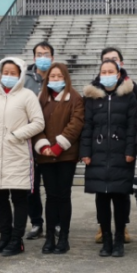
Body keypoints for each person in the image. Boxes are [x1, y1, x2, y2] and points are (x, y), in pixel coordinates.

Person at [0, 56, 46, 257]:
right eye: (5, 73)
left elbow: (38, 123)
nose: (8, 76)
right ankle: (5, 237)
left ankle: (17, 240)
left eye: (13, 73)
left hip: (17, 153)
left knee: (19, 198)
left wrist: (16, 135)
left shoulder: (27, 95)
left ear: (20, 75)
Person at [81, 59, 137, 258]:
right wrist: (85, 152)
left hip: (121, 155)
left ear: (118, 73)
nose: (106, 74)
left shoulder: (129, 97)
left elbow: (133, 127)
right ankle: (106, 239)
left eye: (110, 71)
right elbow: (87, 127)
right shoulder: (92, 98)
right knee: (102, 199)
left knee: (120, 198)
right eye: (103, 71)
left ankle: (119, 240)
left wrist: (131, 150)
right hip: (98, 155)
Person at [34, 63, 85, 254]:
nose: (55, 79)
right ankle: (49, 238)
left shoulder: (75, 98)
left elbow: (75, 124)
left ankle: (63, 237)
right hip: (45, 155)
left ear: (65, 77)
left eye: (58, 76)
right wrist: (44, 146)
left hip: (66, 156)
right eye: (52, 77)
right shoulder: (41, 98)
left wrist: (58, 146)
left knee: (63, 196)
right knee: (50, 196)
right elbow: (35, 123)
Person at [94, 46, 137, 244]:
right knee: (101, 193)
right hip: (101, 150)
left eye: (114, 60)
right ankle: (102, 229)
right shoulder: (94, 88)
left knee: (121, 193)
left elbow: (135, 120)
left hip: (121, 150)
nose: (109, 66)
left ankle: (123, 228)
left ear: (120, 64)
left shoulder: (131, 88)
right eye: (106, 61)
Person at [23, 41, 54, 240]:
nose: (43, 58)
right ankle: (36, 222)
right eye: (39, 54)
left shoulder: (58, 77)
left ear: (52, 57)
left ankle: (55, 223)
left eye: (47, 54)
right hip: (29, 140)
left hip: (52, 142)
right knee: (30, 187)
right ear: (34, 58)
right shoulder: (24, 79)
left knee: (53, 186)